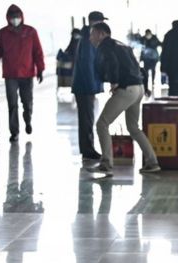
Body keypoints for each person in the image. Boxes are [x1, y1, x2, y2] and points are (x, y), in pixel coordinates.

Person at [85, 22, 160, 177]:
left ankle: (106, 164)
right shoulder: (122, 45)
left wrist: (114, 81)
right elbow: (140, 68)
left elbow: (111, 63)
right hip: (137, 88)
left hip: (126, 89)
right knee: (133, 127)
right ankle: (152, 162)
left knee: (102, 124)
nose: (90, 37)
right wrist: (144, 86)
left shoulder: (105, 46)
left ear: (101, 33)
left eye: (92, 33)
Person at [0, 4, 44, 142]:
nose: (15, 20)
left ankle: (27, 120)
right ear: (8, 18)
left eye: (17, 17)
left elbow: (37, 52)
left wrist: (40, 69)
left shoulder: (31, 32)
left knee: (27, 103)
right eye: (12, 17)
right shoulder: (2, 34)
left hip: (27, 74)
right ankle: (14, 132)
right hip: (10, 75)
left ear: (21, 17)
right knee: (12, 104)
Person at [72, 11, 106, 161]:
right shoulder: (88, 39)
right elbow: (87, 64)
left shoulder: (88, 36)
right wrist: (92, 87)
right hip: (85, 86)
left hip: (87, 85)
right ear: (94, 22)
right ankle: (88, 150)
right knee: (87, 119)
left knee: (87, 118)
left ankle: (88, 148)